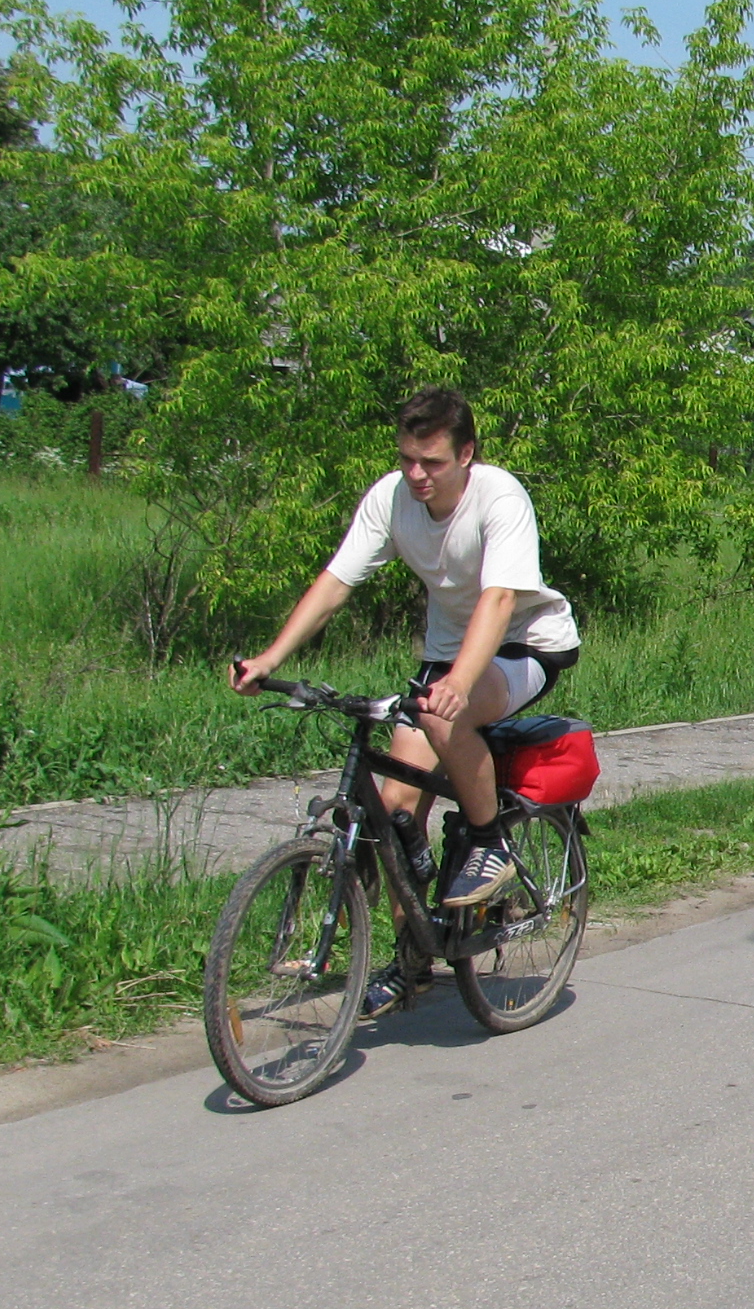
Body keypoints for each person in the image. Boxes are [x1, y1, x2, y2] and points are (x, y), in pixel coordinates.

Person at [230, 387, 582, 1014]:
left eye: (433, 462)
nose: (417, 475)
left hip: (526, 644)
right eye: (407, 459)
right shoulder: (392, 498)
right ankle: (411, 958)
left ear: (466, 454)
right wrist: (270, 659)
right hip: (448, 654)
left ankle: (489, 844)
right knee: (395, 811)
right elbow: (337, 582)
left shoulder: (499, 496)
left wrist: (457, 685)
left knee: (449, 716)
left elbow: (500, 599)